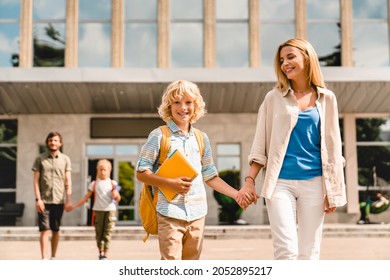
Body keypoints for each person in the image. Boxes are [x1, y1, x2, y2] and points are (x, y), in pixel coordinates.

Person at [237, 38, 347, 260]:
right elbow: (261, 143)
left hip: (315, 183)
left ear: (307, 58)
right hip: (280, 183)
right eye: (281, 60)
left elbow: (334, 147)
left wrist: (333, 190)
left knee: (309, 251)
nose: (285, 63)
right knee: (286, 250)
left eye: (290, 57)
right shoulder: (273, 98)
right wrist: (250, 180)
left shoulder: (327, 99)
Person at [136, 80, 253, 260]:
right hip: (169, 212)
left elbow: (210, 175)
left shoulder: (201, 138)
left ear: (196, 105)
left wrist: (236, 194)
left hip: (198, 213)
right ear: (169, 106)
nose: (183, 107)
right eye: (176, 102)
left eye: (188, 102)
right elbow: (141, 172)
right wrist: (170, 183)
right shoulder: (159, 135)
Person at [67, 159, 121, 260]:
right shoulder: (94, 184)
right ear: (97, 170)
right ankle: (100, 252)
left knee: (107, 233)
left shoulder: (113, 183)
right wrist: (73, 206)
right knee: (98, 233)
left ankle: (106, 254)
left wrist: (116, 195)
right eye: (100, 170)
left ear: (109, 170)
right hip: (98, 210)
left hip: (110, 210)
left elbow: (118, 198)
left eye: (105, 170)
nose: (102, 172)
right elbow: (85, 198)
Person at [32, 131, 72, 260]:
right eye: (50, 140)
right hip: (44, 200)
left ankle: (53, 257)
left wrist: (68, 200)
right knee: (44, 230)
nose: (53, 143)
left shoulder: (65, 159)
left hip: (59, 200)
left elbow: (68, 181)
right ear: (47, 142)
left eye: (55, 140)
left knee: (55, 229)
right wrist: (38, 199)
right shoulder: (40, 159)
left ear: (60, 143)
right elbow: (36, 181)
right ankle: (44, 258)